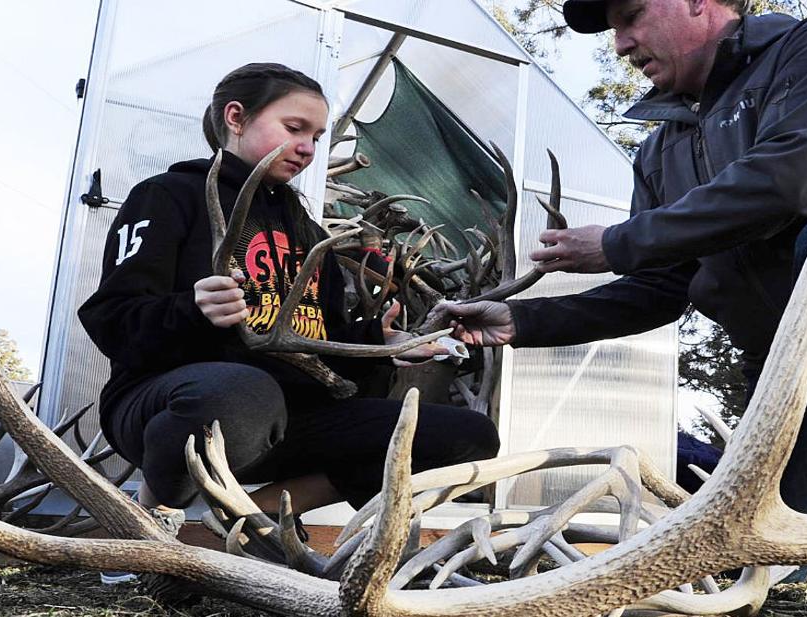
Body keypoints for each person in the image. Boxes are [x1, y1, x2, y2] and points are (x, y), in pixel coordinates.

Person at [440, 1, 807, 615]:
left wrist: (620, 241)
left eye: (631, 16)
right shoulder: (659, 151)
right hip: (794, 355)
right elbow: (662, 286)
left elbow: (793, 182)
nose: (621, 44)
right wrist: (524, 321)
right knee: (777, 551)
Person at [78, 62, 500, 541]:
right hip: (170, 405)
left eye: (317, 136)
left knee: (467, 435)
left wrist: (377, 344)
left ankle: (251, 516)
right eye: (294, 128)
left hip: (287, 416)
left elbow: (320, 339)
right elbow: (110, 318)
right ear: (235, 118)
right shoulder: (168, 196)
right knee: (240, 392)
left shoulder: (305, 230)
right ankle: (146, 526)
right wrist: (191, 312)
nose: (307, 148)